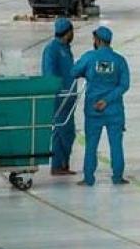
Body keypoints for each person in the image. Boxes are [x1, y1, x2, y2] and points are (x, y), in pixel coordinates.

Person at [71, 26, 130, 186]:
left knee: (91, 145)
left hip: (93, 109)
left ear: (97, 40)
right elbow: (124, 85)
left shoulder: (89, 58)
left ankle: (89, 178)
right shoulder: (119, 60)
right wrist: (108, 99)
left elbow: (74, 72)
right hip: (114, 110)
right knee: (116, 144)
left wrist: (87, 73)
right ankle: (118, 176)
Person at [41, 18, 77, 175]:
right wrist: (59, 90)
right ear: (68, 32)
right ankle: (59, 164)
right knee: (64, 131)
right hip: (60, 98)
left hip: (68, 97)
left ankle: (61, 165)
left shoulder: (65, 48)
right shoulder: (52, 49)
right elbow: (49, 73)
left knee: (63, 132)